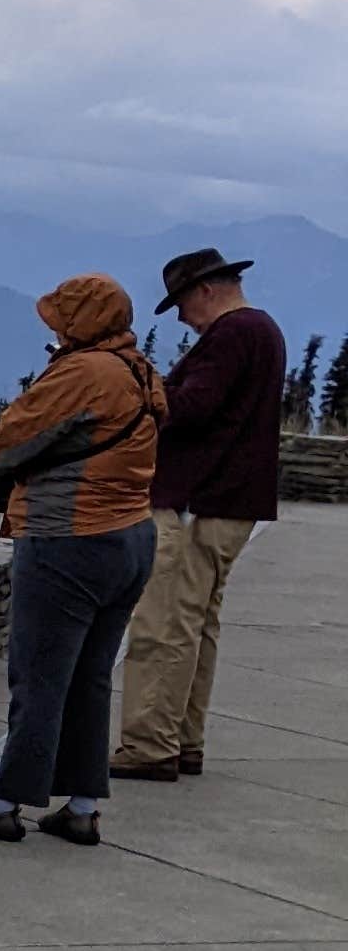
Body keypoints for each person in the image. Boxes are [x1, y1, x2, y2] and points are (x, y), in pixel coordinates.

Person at [0, 274, 165, 847]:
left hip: (68, 540)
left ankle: (4, 804)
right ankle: (80, 807)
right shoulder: (139, 370)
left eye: (61, 317)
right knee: (90, 676)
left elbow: (12, 437)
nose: (52, 326)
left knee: (40, 677)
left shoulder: (83, 372)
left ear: (83, 321)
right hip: (131, 538)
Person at [112, 247, 286, 781]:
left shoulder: (231, 336)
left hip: (198, 500)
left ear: (206, 290)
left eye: (182, 304)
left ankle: (149, 745)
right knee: (196, 624)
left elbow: (190, 409)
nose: (182, 318)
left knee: (164, 623)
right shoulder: (263, 332)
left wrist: (139, 385)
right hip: (230, 503)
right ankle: (184, 738)